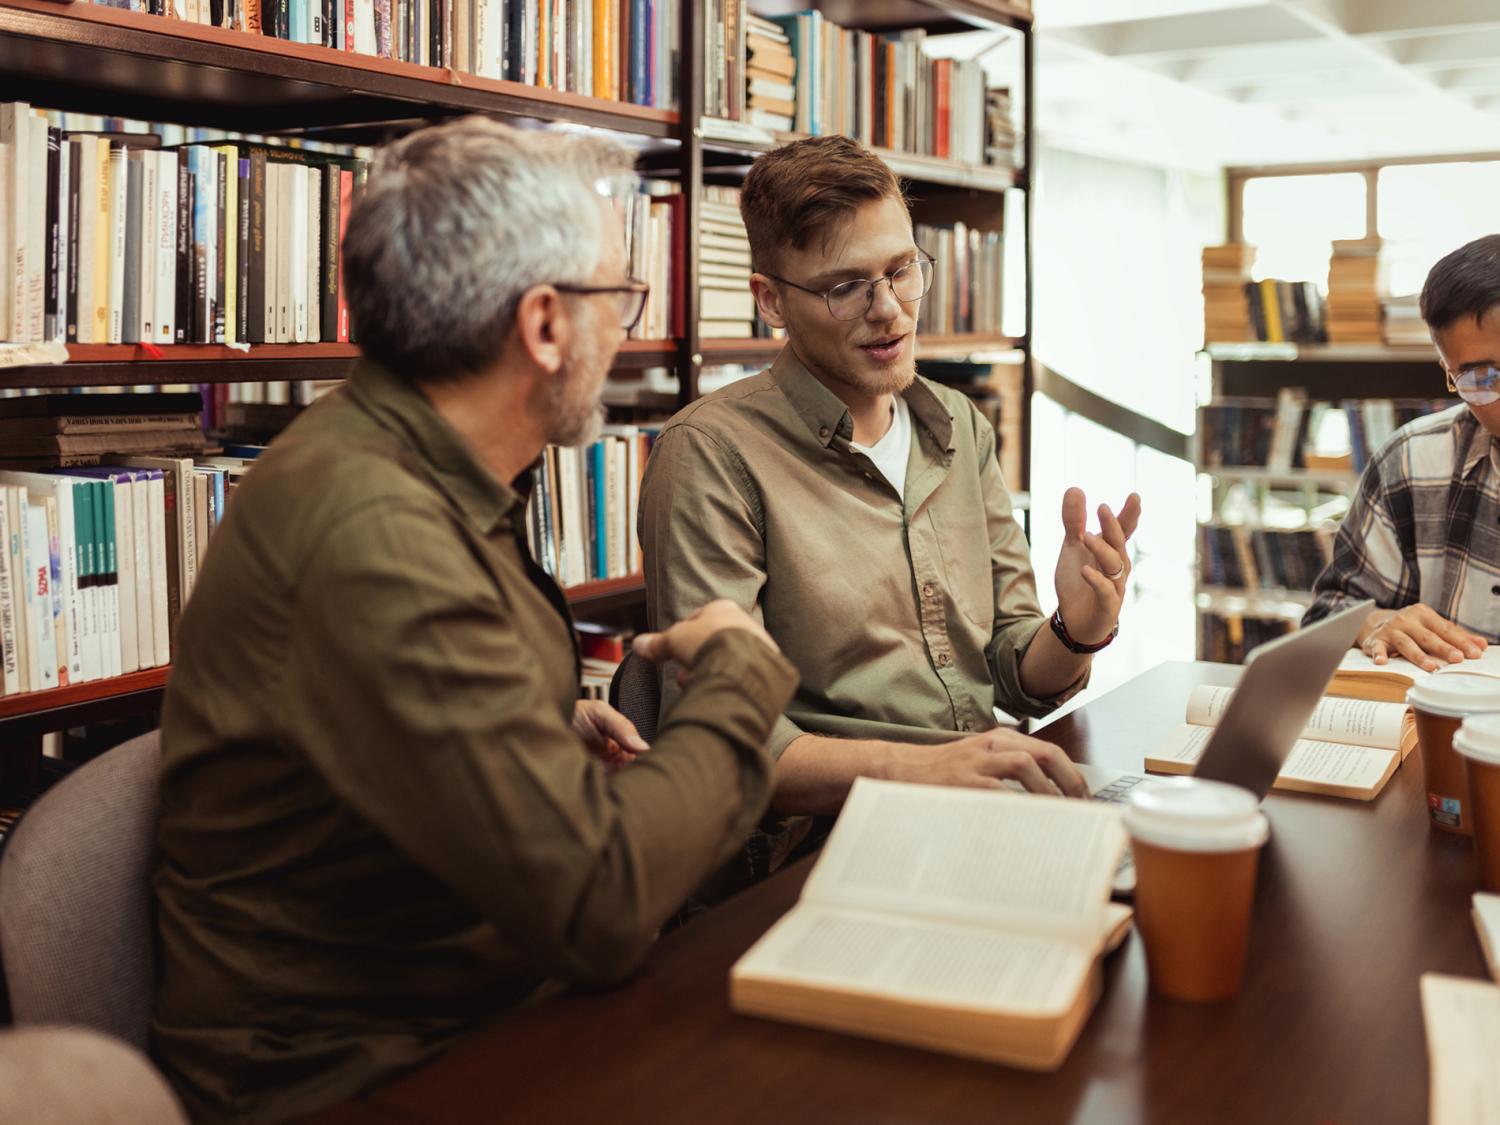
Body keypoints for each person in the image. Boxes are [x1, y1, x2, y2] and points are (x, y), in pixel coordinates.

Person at [151, 117, 797, 1124]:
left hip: (476, 1007)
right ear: (544, 327)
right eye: (616, 299)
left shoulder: (408, 457)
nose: (624, 331)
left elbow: (385, 711)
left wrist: (531, 725)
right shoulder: (375, 531)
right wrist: (740, 673)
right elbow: (602, 903)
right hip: (358, 1075)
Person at [639, 135, 1140, 878]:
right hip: (821, 850)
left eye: (902, 270)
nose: (890, 311)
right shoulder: (712, 453)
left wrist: (1077, 626)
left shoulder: (958, 425)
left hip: (980, 800)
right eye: (846, 287)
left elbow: (1010, 670)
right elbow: (730, 746)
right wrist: (923, 768)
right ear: (770, 299)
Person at [1305, 234, 1500, 669]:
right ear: (1448, 373)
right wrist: (1374, 622)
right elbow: (1326, 616)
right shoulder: (1409, 463)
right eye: (1481, 379)